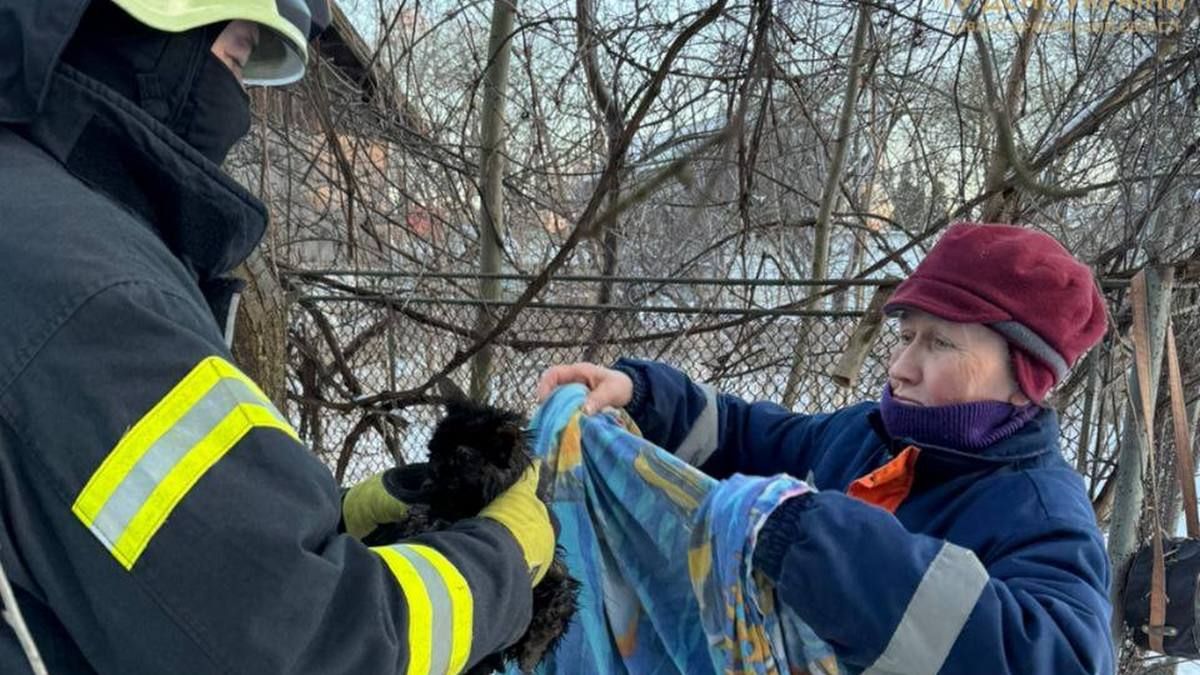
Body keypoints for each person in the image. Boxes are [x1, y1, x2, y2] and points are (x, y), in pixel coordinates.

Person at [0, 1, 554, 673]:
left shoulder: (32, 228)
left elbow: (159, 571)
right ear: (154, 33)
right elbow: (308, 644)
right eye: (236, 57)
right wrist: (504, 559)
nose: (242, 105)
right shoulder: (95, 297)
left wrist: (335, 520)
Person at [538, 222, 1114, 674]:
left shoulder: (1039, 510)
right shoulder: (867, 435)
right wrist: (643, 398)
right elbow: (744, 436)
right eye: (906, 336)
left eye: (940, 343)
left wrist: (820, 542)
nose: (901, 367)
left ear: (1026, 377)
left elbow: (1065, 658)